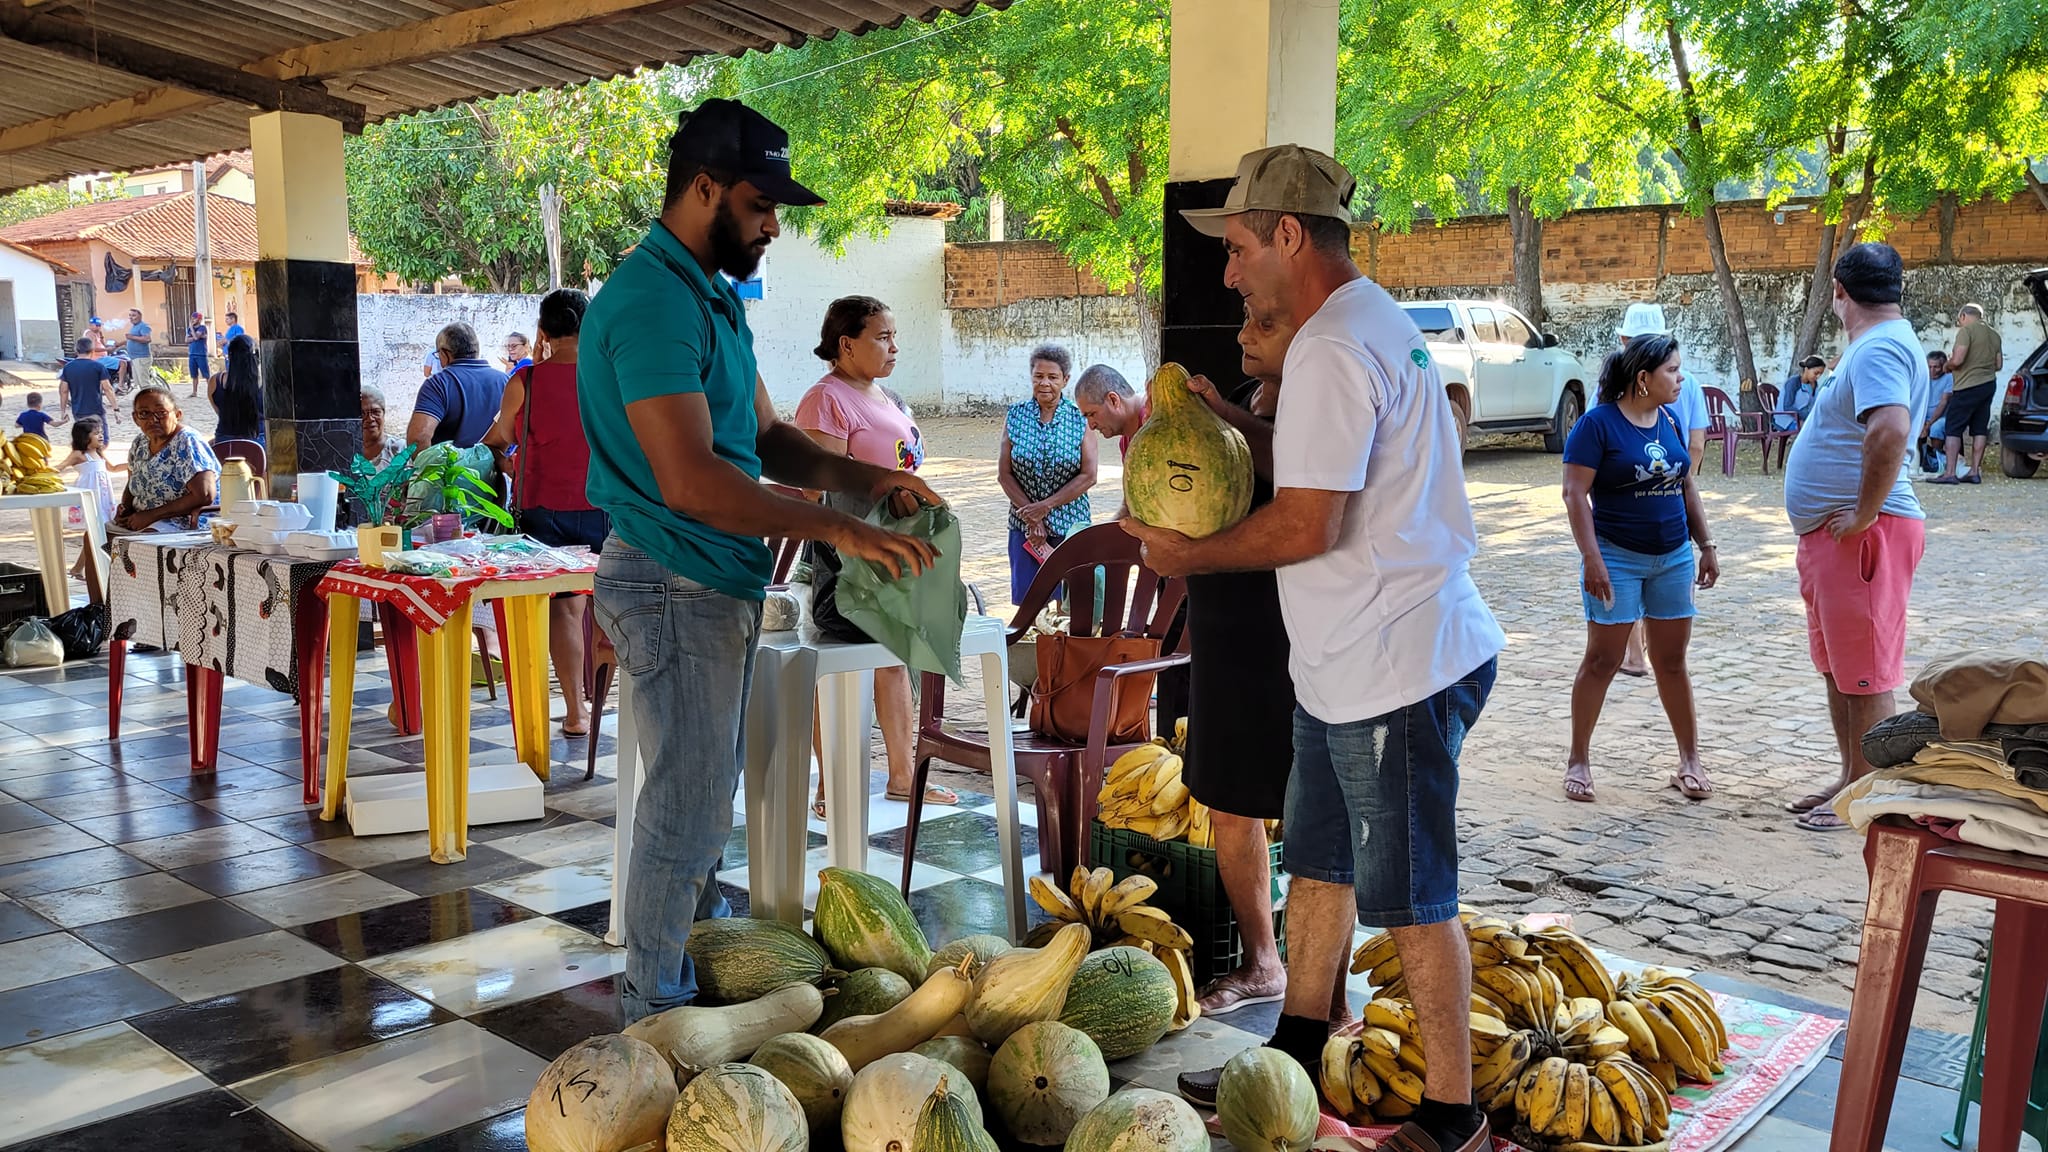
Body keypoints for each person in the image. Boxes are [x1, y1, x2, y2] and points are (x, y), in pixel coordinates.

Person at [1125, 144, 1505, 1152]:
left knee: (1413, 899)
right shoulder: (1365, 320)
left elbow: (1307, 525)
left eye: (1240, 245)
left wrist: (1189, 552)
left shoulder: (1333, 349)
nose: (1228, 270)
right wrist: (1221, 423)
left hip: (1396, 664)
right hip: (1348, 662)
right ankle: (1296, 1048)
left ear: (1288, 234)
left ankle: (1452, 1114)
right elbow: (1327, 474)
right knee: (1322, 866)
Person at [579, 98, 939, 1022]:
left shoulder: (711, 297)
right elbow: (693, 480)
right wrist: (837, 530)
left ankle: (685, 977)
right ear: (703, 189)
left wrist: (865, 485)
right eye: (758, 202)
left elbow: (768, 437)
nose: (775, 222)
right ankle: (654, 1015)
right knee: (690, 808)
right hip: (671, 574)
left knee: (698, 797)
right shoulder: (655, 299)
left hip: (705, 579)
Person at [1172, 299, 1328, 1018]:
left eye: (1266, 323)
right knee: (1229, 804)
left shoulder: (1316, 408)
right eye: (1244, 321)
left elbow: (1290, 469)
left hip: (1294, 634)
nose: (1243, 334)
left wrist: (1225, 418)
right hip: (1225, 629)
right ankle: (1264, 962)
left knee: (1312, 813)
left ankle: (1321, 986)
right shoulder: (1233, 400)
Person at [1782, 242, 1927, 831]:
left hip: (1864, 535)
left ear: (1839, 293)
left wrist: (1865, 513)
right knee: (1842, 668)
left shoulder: (1881, 346)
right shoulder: (1878, 344)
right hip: (1838, 537)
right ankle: (1851, 778)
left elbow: (1889, 430)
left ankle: (1870, 797)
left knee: (1866, 674)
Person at [792, 296, 956, 815]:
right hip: (848, 568)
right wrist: (886, 499)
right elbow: (816, 492)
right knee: (847, 668)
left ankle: (903, 775)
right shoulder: (826, 401)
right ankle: (830, 784)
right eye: (881, 337)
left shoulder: (889, 398)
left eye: (894, 336)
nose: (894, 346)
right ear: (846, 344)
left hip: (896, 562)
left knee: (895, 662)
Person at [1560, 334, 1720, 804]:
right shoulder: (1597, 426)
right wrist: (1592, 558)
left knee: (1671, 662)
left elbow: (1685, 485)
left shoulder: (1668, 418)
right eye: (1672, 370)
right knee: (1603, 660)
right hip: (1617, 557)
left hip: (1672, 557)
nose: (1681, 377)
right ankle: (1579, 760)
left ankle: (1690, 760)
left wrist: (1704, 544)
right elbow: (1574, 495)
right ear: (1643, 378)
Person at [483, 289, 608, 738]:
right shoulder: (611, 377)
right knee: (612, 606)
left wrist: (508, 462)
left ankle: (575, 712)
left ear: (543, 331)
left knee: (565, 611)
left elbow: (495, 439)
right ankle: (615, 703)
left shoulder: (525, 381)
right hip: (604, 508)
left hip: (543, 512)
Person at [1613, 304, 1707, 678]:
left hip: (1632, 496)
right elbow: (1696, 443)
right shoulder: (1691, 383)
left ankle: (1636, 652)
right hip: (1673, 494)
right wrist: (1685, 485)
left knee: (1630, 568)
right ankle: (1654, 647)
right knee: (1671, 565)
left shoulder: (1614, 385)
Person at [998, 346, 1096, 602]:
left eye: (1052, 377)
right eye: (1038, 376)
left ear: (1065, 379)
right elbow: (1004, 474)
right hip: (1025, 528)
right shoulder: (1015, 416)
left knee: (1070, 607)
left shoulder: (1079, 418)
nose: (1045, 383)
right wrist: (1033, 518)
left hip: (1070, 528)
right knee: (1030, 606)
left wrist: (1046, 507)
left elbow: (1089, 475)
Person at [114, 385, 220, 533]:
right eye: (144, 413)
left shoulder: (187, 441)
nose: (153, 419)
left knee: (143, 543)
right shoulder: (140, 442)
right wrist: (125, 509)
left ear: (177, 415)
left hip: (186, 519)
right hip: (143, 518)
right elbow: (132, 483)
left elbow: (205, 495)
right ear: (135, 418)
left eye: (161, 413)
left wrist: (150, 516)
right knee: (94, 537)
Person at [1931, 302, 2002, 484]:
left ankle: (1950, 473)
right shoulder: (1994, 334)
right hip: (1988, 385)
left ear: (1963, 316)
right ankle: (1974, 471)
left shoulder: (1966, 331)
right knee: (1979, 428)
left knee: (1953, 428)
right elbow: (1999, 365)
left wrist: (1948, 365)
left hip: (1967, 386)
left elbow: (1958, 359)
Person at [410, 322, 509, 450]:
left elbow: (418, 438)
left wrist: (429, 468)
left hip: (450, 468)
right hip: (495, 468)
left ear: (445, 353)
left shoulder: (438, 383)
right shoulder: (507, 381)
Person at [58, 417, 122, 579]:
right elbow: (60, 467)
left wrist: (134, 464)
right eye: (96, 433)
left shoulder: (99, 453)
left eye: (101, 432)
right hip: (90, 495)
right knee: (96, 530)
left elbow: (113, 468)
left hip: (104, 496)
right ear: (84, 437)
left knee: (98, 531)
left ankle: (77, 569)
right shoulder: (79, 454)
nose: (100, 436)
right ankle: (90, 567)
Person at [1074, 363, 1148, 456]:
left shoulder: (1154, 423)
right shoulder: (1125, 443)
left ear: (1113, 400)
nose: (1091, 426)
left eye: (1092, 414)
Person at [209, 333, 264, 442]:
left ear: (230, 356)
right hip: (258, 442)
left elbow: (220, 412)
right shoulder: (265, 383)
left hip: (225, 442)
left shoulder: (215, 381)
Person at [58, 338, 116, 429]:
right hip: (96, 410)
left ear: (76, 350)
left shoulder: (68, 368)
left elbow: (63, 391)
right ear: (92, 351)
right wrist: (116, 409)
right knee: (100, 438)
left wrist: (63, 411)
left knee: (83, 437)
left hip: (78, 411)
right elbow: (107, 389)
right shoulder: (98, 367)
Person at [1916, 351, 1952, 476]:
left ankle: (1936, 457)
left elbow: (1943, 402)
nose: (1932, 370)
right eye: (1930, 367)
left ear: (1943, 366)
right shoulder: (1922, 377)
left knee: (1936, 428)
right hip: (1924, 415)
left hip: (1941, 416)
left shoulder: (1949, 378)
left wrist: (1929, 423)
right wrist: (1920, 421)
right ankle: (1919, 460)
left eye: (1936, 367)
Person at [1777, 355, 1827, 432]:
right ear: (1806, 369)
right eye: (1816, 373)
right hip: (1787, 419)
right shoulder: (1793, 383)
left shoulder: (1813, 384)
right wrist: (1806, 417)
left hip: (1804, 418)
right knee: (1813, 430)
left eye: (1820, 374)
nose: (1818, 376)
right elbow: (1787, 406)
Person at [361, 385, 405, 468]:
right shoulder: (346, 453)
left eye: (375, 412)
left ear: (383, 414)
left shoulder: (399, 449)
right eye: (362, 414)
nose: (370, 419)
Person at [121, 308, 154, 390]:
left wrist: (131, 337)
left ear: (140, 316)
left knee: (144, 383)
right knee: (138, 382)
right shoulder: (134, 327)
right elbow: (133, 339)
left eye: (134, 315)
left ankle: (150, 400)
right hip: (135, 358)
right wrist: (119, 344)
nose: (131, 317)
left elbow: (147, 339)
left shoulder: (143, 326)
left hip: (141, 358)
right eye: (130, 315)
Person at [184, 312, 209, 397]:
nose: (193, 320)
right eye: (192, 318)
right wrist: (194, 337)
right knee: (194, 375)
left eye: (195, 318)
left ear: (199, 319)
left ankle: (211, 391)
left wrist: (192, 330)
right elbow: (186, 340)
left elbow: (195, 337)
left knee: (206, 374)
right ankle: (194, 392)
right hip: (192, 353)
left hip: (201, 354)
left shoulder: (202, 328)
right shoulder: (189, 329)